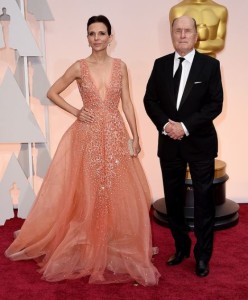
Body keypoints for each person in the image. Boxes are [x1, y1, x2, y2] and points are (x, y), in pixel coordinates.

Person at [5, 15, 160, 286]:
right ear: (87, 37)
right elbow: (52, 92)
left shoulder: (120, 67)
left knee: (114, 189)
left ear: (110, 37)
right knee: (90, 190)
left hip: (114, 134)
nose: (97, 38)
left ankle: (108, 241)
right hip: (87, 137)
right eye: (92, 33)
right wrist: (77, 111)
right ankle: (90, 243)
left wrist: (135, 136)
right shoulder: (79, 67)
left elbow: (127, 104)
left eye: (101, 33)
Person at [144, 15, 223, 277]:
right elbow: (149, 100)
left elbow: (214, 104)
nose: (182, 35)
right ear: (172, 33)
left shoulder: (210, 66)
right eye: (178, 30)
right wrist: (167, 126)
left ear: (196, 35)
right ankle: (181, 248)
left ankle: (202, 256)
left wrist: (184, 127)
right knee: (174, 201)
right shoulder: (160, 64)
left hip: (200, 144)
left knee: (203, 202)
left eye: (187, 30)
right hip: (169, 144)